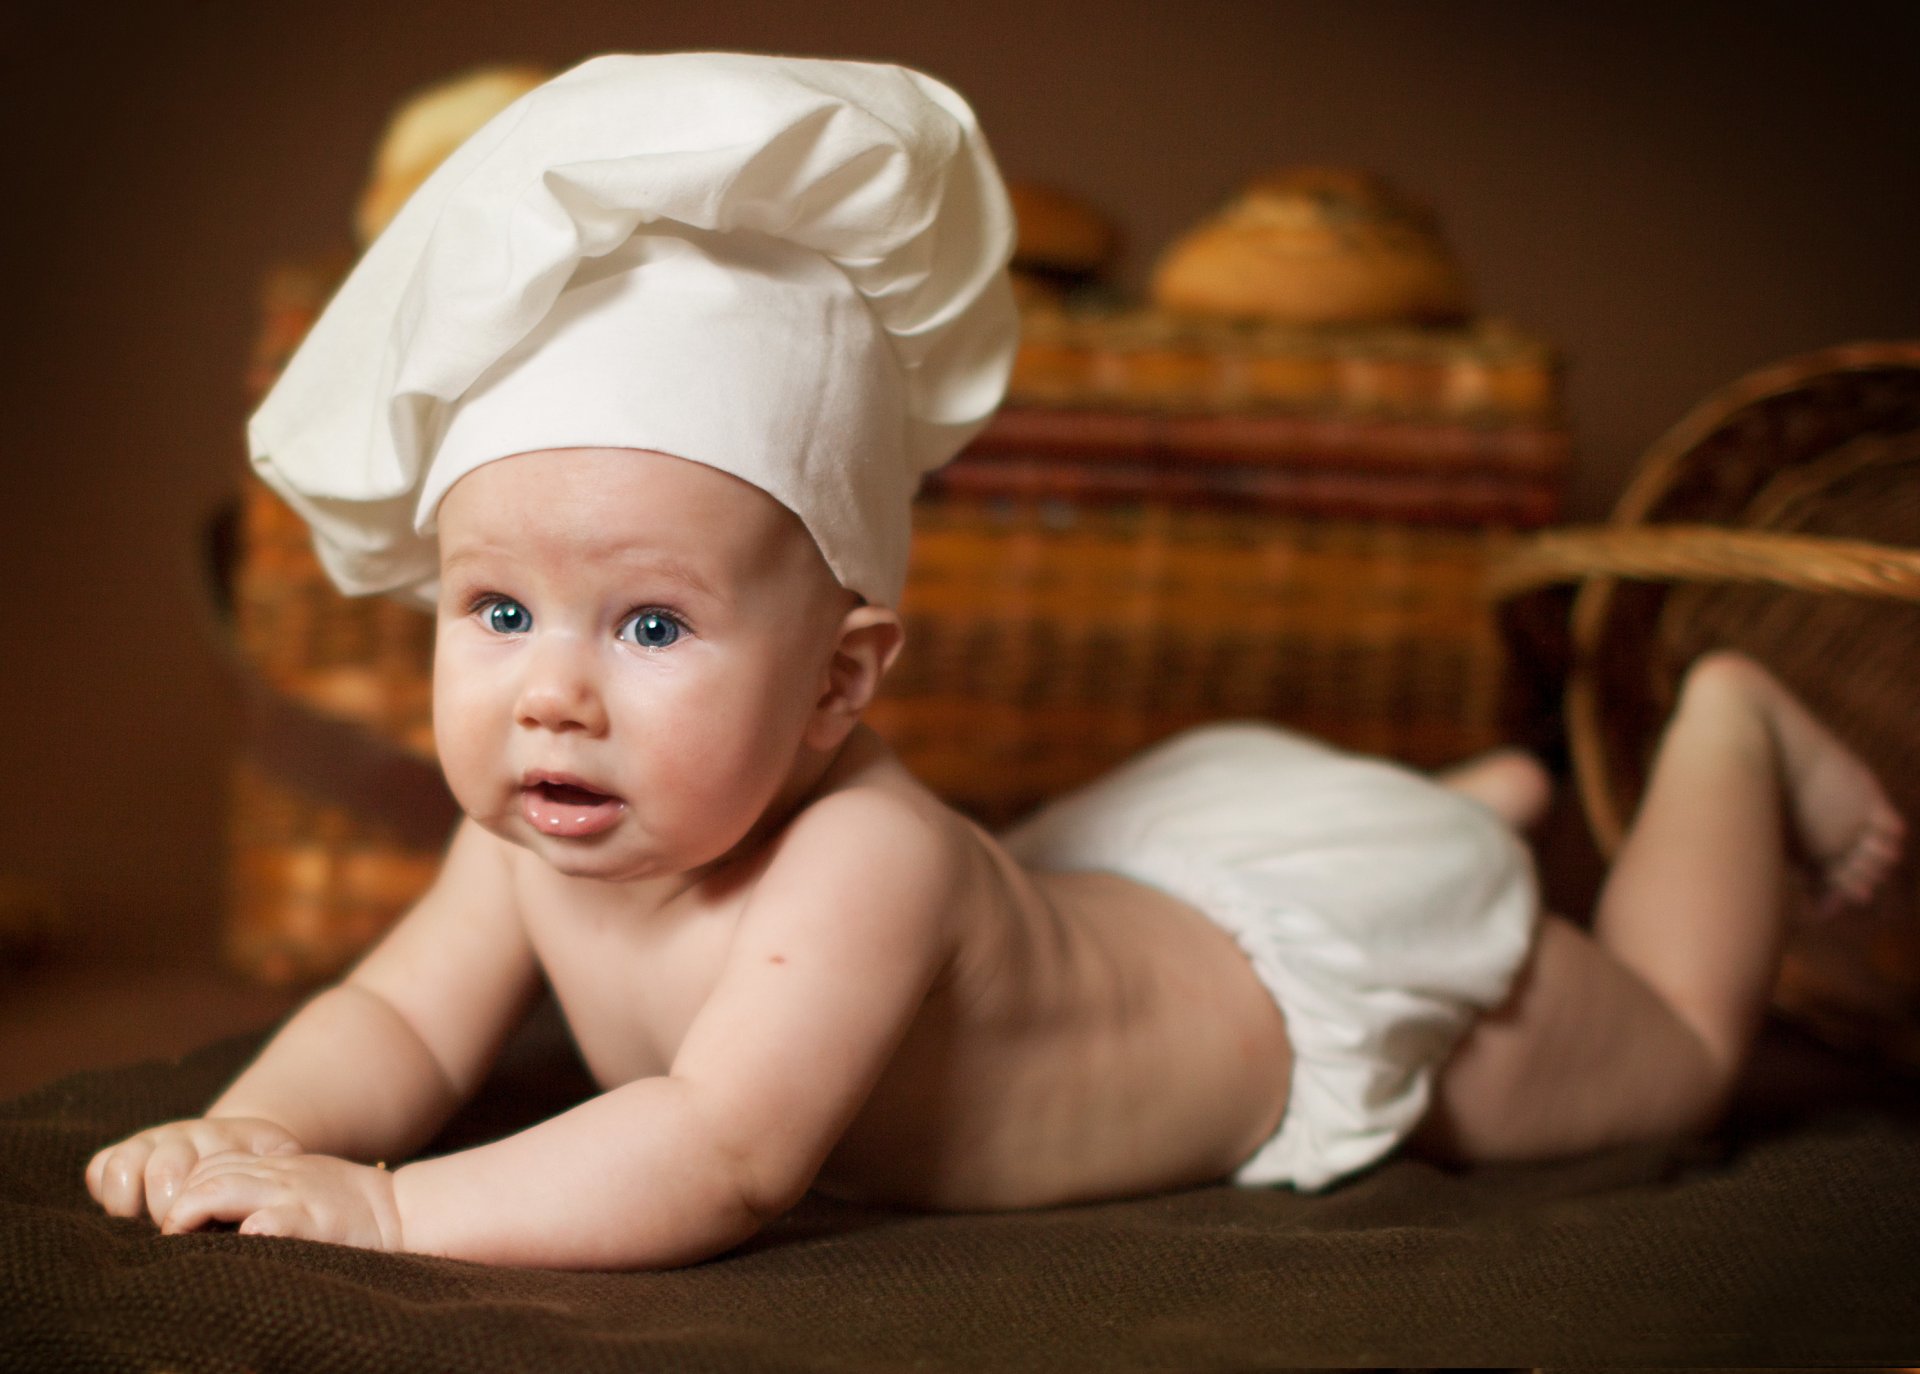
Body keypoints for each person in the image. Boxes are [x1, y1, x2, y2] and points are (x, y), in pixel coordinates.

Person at [85, 54, 1906, 1271]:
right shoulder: (529, 829)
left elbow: (718, 1145)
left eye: (650, 624)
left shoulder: (859, 858)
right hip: (1121, 880)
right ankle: (1476, 796)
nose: (552, 689)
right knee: (1224, 866)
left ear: (839, 684)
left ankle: (1734, 737)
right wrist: (249, 1133)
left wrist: (385, 1217)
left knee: (1659, 1066)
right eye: (496, 612)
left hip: (1280, 993)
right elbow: (396, 1023)